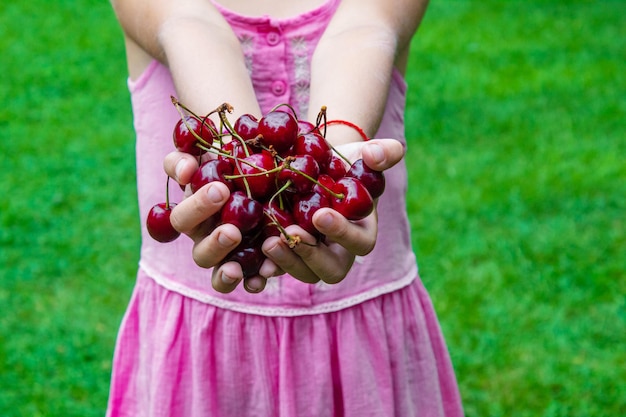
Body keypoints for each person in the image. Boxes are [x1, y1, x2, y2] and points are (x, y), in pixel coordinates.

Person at [107, 0, 464, 415]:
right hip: (204, 346)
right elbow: (186, 23)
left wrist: (334, 162)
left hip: (358, 343)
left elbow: (366, 26)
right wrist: (236, 157)